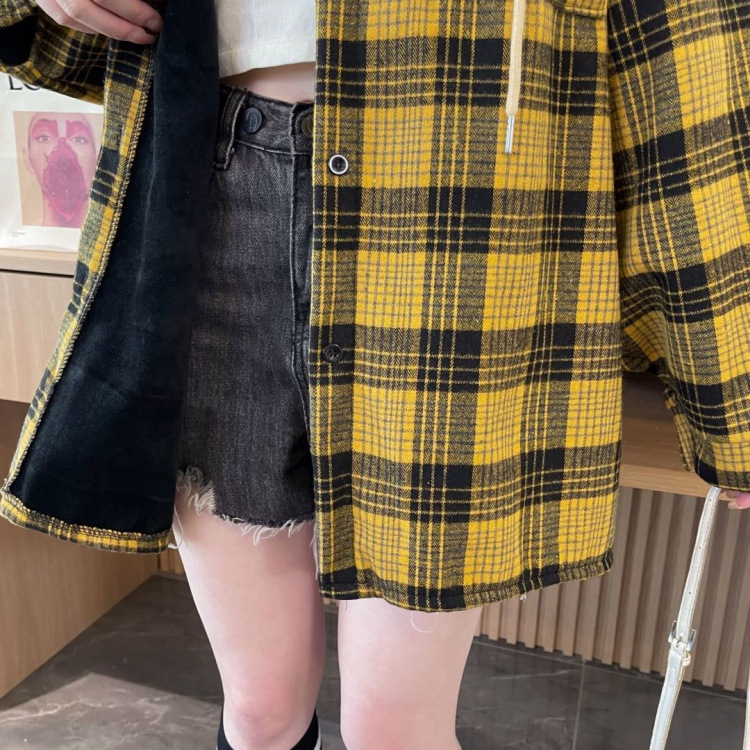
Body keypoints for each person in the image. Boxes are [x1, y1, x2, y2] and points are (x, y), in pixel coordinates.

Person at [3, 2, 750, 750]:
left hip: (454, 211)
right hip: (208, 178)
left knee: (394, 732)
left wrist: (734, 402)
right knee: (260, 714)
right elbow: (61, 43)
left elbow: (685, 69)